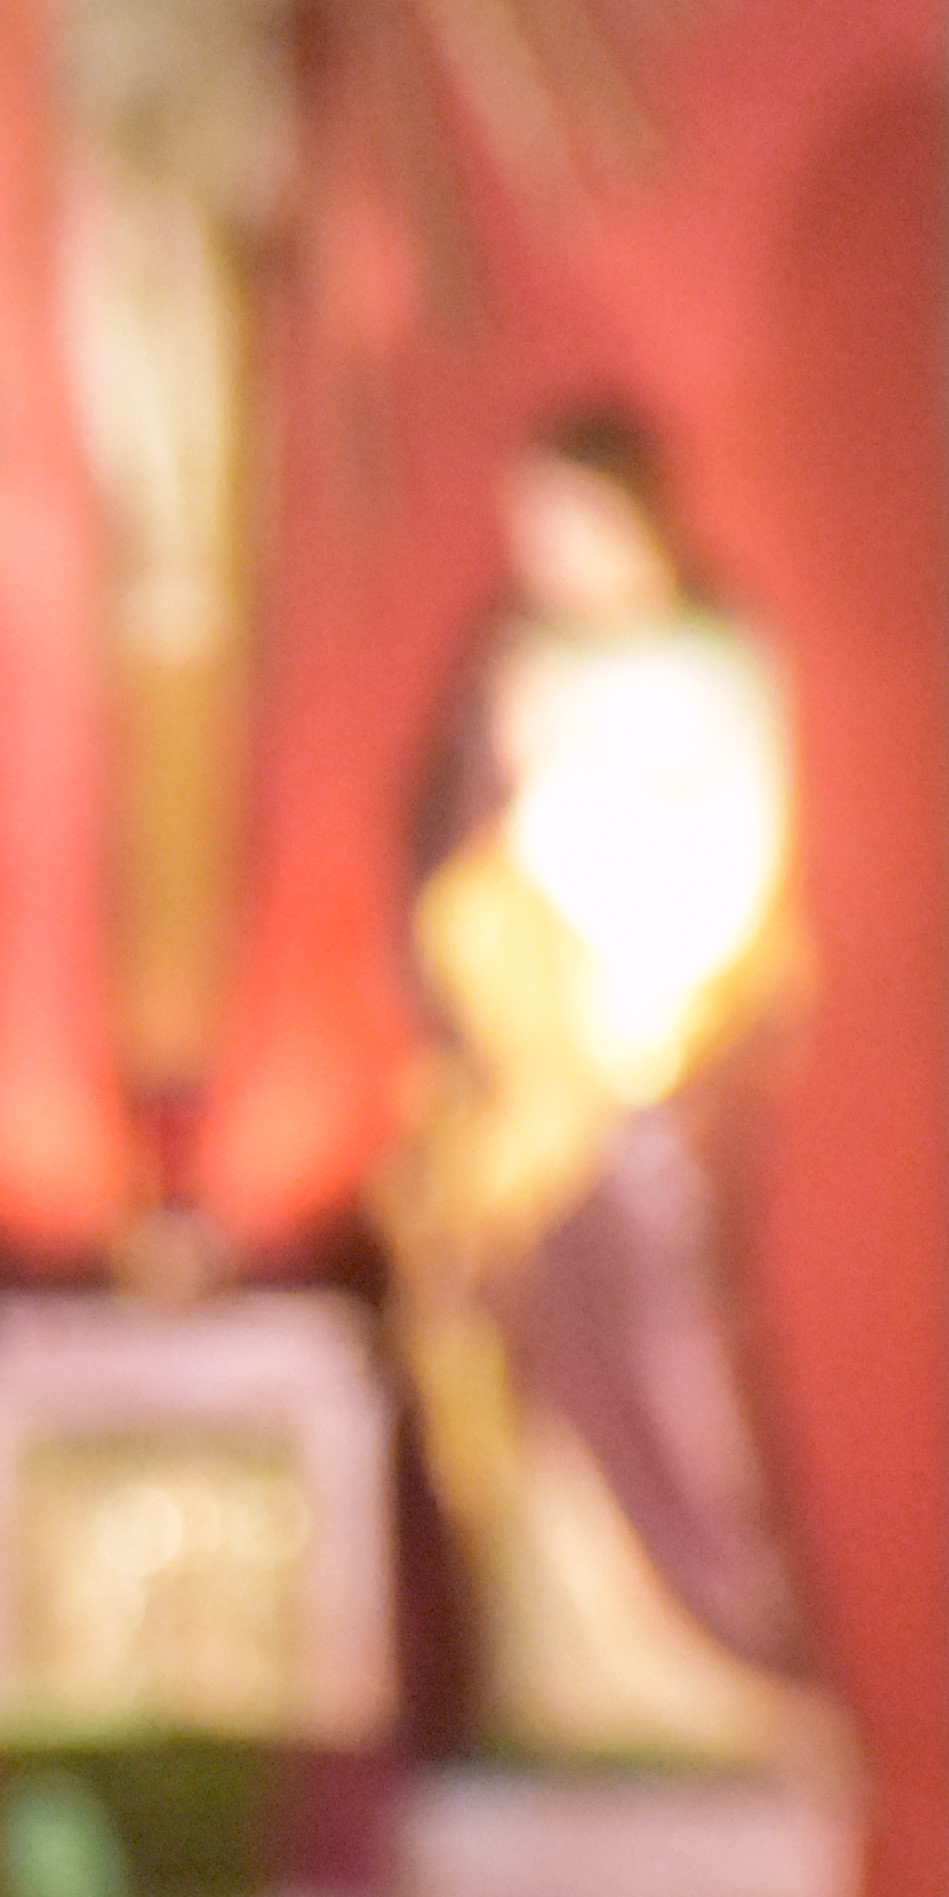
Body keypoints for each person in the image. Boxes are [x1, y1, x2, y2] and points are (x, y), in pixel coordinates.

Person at [374, 404, 834, 1772]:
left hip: (649, 1062)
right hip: (536, 1071)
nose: (548, 552)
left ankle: (703, 1656)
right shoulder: (516, 667)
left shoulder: (716, 661)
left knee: (669, 1363)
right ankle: (571, 1673)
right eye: (531, 528)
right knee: (535, 1368)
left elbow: (746, 865)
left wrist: (648, 984)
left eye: (568, 520)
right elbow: (455, 861)